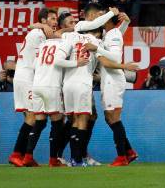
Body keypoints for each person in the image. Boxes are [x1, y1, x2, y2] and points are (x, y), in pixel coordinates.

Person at [22, 19, 85, 167]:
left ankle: (28, 156)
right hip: (51, 86)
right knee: (57, 123)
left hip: (37, 85)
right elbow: (58, 61)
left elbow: (33, 65)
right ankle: (52, 160)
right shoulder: (65, 44)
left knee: (39, 122)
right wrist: (77, 63)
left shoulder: (43, 44)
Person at [83, 9, 140, 166]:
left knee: (113, 118)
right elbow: (117, 33)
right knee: (110, 118)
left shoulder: (112, 34)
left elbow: (115, 57)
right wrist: (126, 22)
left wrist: (96, 49)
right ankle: (129, 151)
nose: (100, 17)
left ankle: (122, 157)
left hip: (113, 80)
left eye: (103, 16)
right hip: (108, 79)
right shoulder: (111, 33)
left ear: (108, 21)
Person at [8, 8, 58, 167]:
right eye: (52, 19)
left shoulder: (38, 33)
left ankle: (25, 156)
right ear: (43, 21)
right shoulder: (37, 35)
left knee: (37, 119)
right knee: (32, 118)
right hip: (27, 79)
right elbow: (40, 62)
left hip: (27, 78)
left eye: (56, 19)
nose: (55, 22)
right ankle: (16, 154)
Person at [60, 15, 104, 167]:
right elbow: (107, 61)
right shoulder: (96, 42)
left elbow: (57, 38)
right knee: (83, 120)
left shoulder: (68, 37)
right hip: (83, 83)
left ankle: (74, 159)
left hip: (67, 84)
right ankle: (78, 159)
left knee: (73, 120)